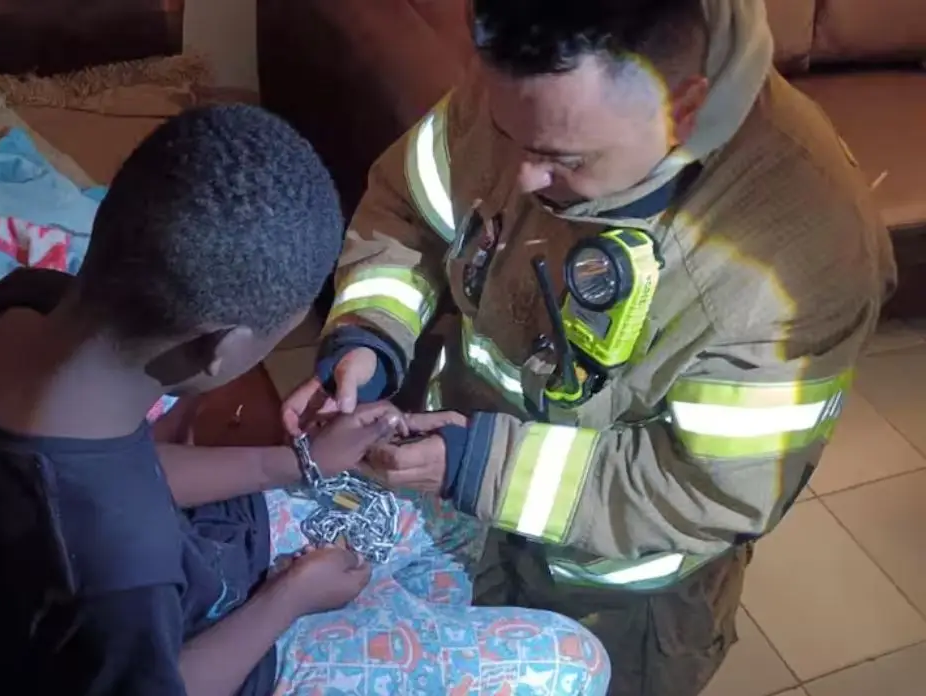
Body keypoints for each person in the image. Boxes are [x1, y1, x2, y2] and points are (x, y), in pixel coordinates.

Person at [282, 1, 896, 694]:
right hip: (461, 526)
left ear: (682, 110)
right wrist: (369, 335)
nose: (518, 177)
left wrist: (480, 464)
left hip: (612, 604)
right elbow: (406, 208)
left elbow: (710, 490)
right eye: (506, 132)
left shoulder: (799, 266)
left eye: (561, 158)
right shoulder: (533, 77)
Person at [0, 104, 610, 695]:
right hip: (208, 654)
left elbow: (126, 470)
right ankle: (371, 631)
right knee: (572, 662)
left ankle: (390, 626)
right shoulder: (112, 570)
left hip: (183, 567)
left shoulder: (24, 308)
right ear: (219, 349)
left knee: (439, 511)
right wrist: (287, 600)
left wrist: (295, 463)